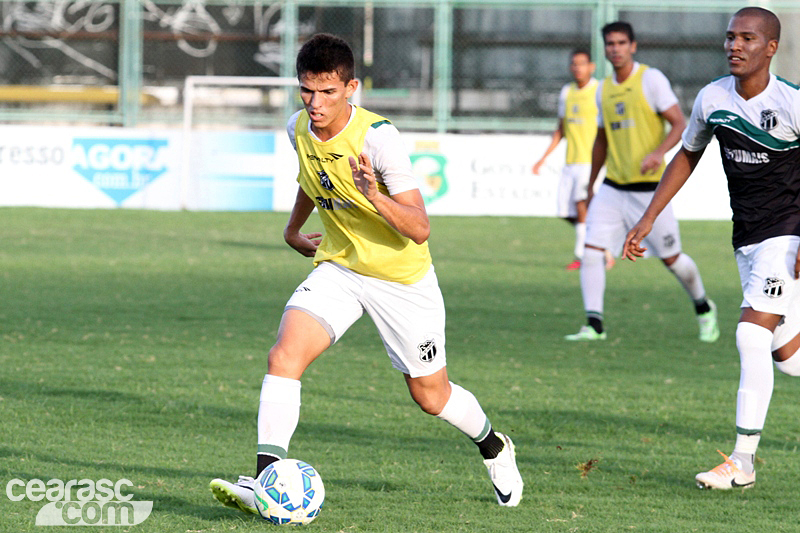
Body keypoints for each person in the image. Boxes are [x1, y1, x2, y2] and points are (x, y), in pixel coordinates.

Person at [209, 33, 523, 510]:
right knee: (283, 356)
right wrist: (294, 229)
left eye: (328, 92)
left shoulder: (379, 139)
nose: (316, 103)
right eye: (307, 90)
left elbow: (419, 228)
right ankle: (265, 482)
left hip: (401, 280)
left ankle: (494, 446)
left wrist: (374, 195)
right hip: (341, 267)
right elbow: (312, 181)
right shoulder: (298, 127)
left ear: (351, 87)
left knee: (430, 396)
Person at [624, 7, 800, 489]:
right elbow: (687, 154)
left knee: (749, 335)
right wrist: (648, 216)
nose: (735, 46)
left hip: (789, 233)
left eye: (747, 38)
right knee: (788, 358)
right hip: (748, 236)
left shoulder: (792, 102)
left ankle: (742, 463)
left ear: (771, 48)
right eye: (730, 37)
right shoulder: (713, 97)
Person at [565, 21, 719, 343]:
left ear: (632, 46)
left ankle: (704, 308)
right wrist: (592, 185)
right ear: (605, 48)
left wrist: (658, 152)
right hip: (613, 187)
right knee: (592, 251)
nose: (615, 48)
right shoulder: (603, 89)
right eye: (610, 43)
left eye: (621, 42)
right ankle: (594, 324)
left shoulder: (651, 79)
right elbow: (601, 140)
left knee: (673, 259)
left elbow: (680, 123)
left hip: (650, 192)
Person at [533, 49, 604, 271]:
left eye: (582, 64)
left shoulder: (599, 91)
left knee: (581, 207)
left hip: (589, 161)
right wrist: (543, 158)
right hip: (570, 162)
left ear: (591, 66)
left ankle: (583, 256)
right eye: (574, 64)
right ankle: (603, 247)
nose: (577, 68)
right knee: (566, 212)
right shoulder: (567, 92)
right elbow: (561, 129)